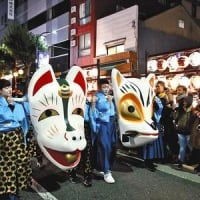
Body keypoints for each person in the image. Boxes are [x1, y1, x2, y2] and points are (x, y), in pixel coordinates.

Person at [0, 79, 33, 200]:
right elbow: (6, 117)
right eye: (6, 88)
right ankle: (8, 193)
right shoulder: (5, 103)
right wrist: (11, 106)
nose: (9, 89)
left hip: (16, 137)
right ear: (0, 91)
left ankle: (14, 191)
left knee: (19, 163)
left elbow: (20, 118)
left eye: (9, 87)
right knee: (7, 166)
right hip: (4, 138)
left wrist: (12, 106)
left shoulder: (13, 102)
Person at [90, 79, 117, 184]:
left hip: (111, 125)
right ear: (99, 87)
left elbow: (112, 112)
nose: (106, 88)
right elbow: (93, 114)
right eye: (104, 87)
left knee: (111, 147)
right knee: (105, 147)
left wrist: (110, 102)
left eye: (107, 86)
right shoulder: (96, 97)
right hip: (102, 125)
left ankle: (100, 167)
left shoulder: (110, 97)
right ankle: (106, 171)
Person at [68, 99, 93, 187]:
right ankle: (72, 172)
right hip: (75, 128)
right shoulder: (72, 100)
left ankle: (87, 175)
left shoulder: (89, 101)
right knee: (74, 151)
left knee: (87, 151)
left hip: (86, 127)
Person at [155, 80, 179, 163]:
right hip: (159, 121)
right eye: (156, 86)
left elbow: (173, 108)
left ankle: (174, 156)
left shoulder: (168, 96)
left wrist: (170, 101)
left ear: (163, 87)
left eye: (159, 86)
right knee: (162, 140)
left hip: (167, 121)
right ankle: (163, 156)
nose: (157, 88)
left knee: (170, 139)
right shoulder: (155, 97)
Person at [173, 94, 196, 169]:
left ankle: (194, 161)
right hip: (181, 131)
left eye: (186, 102)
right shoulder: (180, 109)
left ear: (189, 102)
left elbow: (193, 122)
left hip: (189, 132)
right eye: (183, 101)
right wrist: (176, 110)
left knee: (192, 147)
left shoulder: (193, 111)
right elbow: (175, 118)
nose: (184, 103)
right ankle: (180, 162)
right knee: (182, 147)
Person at [143, 96, 165, 171]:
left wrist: (153, 98)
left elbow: (160, 106)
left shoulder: (157, 113)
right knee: (149, 145)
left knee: (154, 145)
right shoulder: (147, 111)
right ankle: (148, 161)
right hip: (147, 127)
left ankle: (150, 161)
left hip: (155, 127)